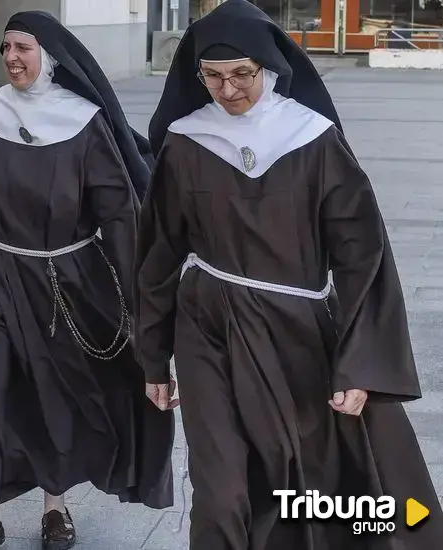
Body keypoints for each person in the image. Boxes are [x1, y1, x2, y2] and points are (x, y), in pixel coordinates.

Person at [135, 1, 443, 548]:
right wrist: (153, 356)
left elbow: (361, 256)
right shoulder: (185, 142)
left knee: (297, 476)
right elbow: (158, 253)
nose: (228, 91)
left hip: (295, 326)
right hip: (206, 324)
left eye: (242, 76)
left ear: (270, 69)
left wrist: (360, 364)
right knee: (221, 487)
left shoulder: (313, 138)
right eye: (212, 77)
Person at [0, 10, 174, 550]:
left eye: (23, 48)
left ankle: (55, 507)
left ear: (49, 58)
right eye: (5, 47)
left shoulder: (83, 122)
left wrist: (135, 301)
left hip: (65, 282)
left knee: (51, 395)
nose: (11, 57)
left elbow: (120, 217)